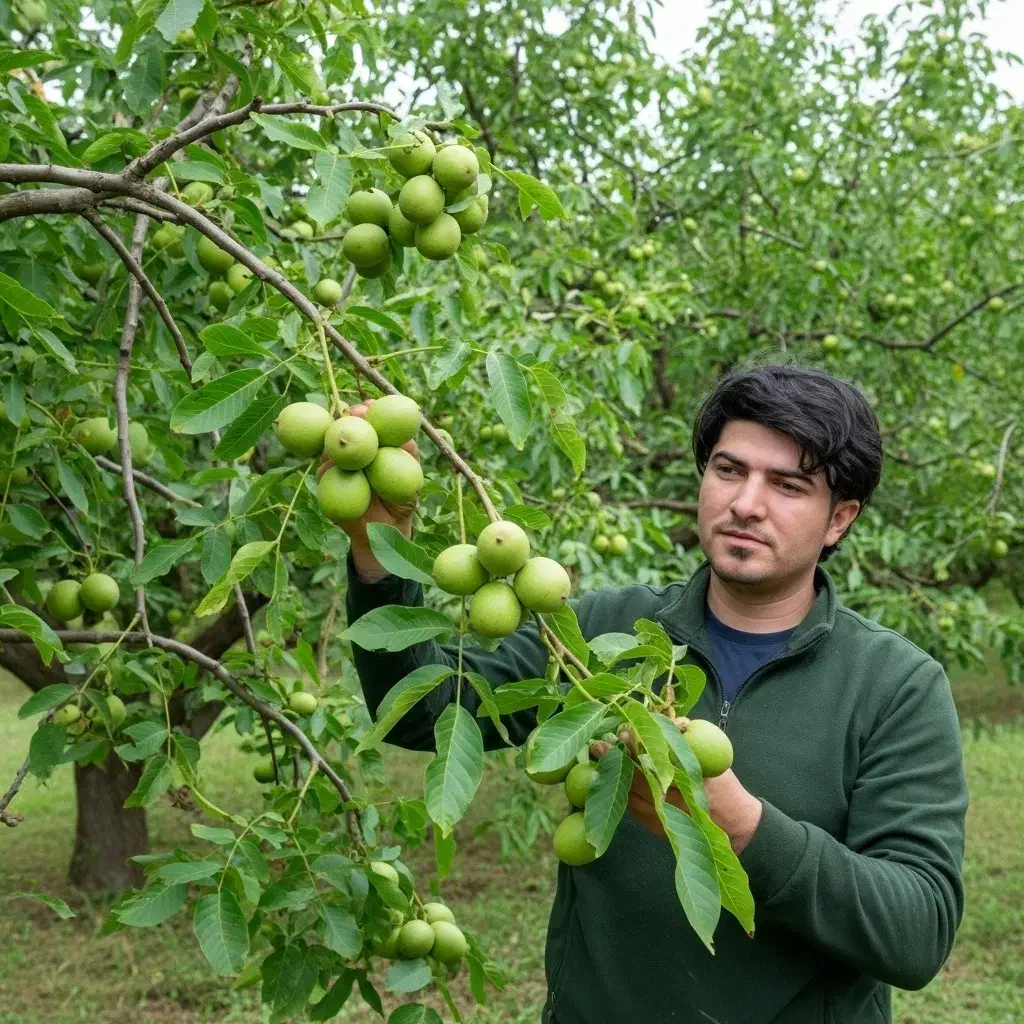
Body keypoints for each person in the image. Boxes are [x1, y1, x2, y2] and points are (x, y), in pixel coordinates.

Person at [339, 363, 968, 1024]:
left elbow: (917, 933)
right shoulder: (600, 630)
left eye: (787, 485)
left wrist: (743, 829)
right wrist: (378, 554)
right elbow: (428, 717)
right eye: (729, 470)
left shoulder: (897, 685)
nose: (747, 503)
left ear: (839, 519)